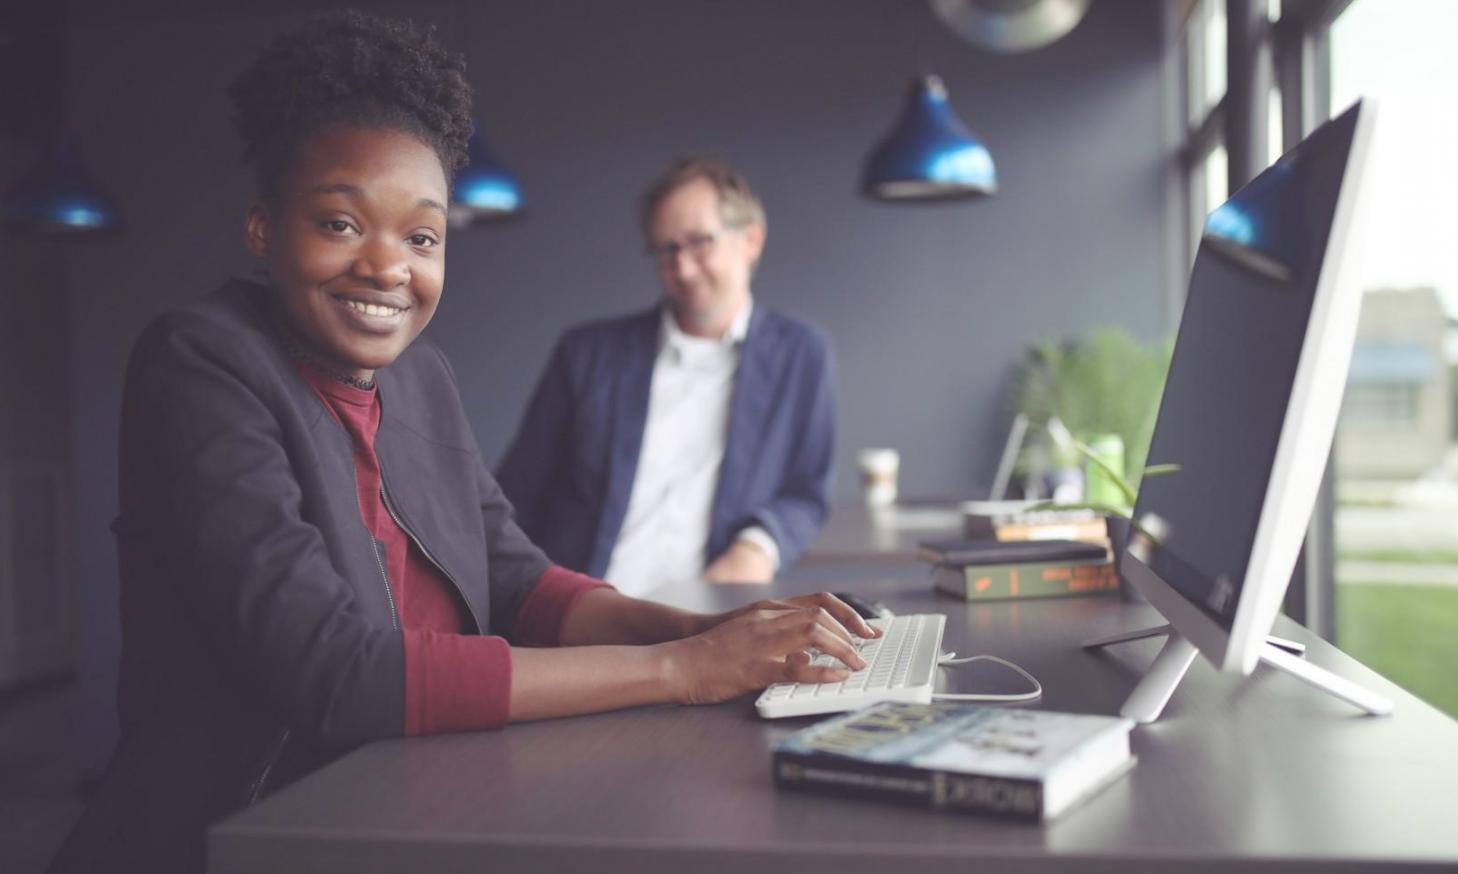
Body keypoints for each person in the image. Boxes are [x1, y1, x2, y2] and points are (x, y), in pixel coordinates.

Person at [47, 13, 871, 874]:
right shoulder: (200, 361)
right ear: (263, 226)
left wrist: (712, 632)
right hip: (252, 832)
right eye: (338, 223)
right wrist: (676, 668)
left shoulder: (420, 379)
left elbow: (518, 580)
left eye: (422, 236)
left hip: (425, 800)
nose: (387, 265)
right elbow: (336, 673)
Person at [496, 157, 836, 594]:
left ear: (751, 239)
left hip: (713, 622)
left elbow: (806, 492)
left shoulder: (801, 353)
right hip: (586, 618)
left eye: (699, 242)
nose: (683, 268)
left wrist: (758, 547)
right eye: (666, 249)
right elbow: (515, 494)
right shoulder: (586, 354)